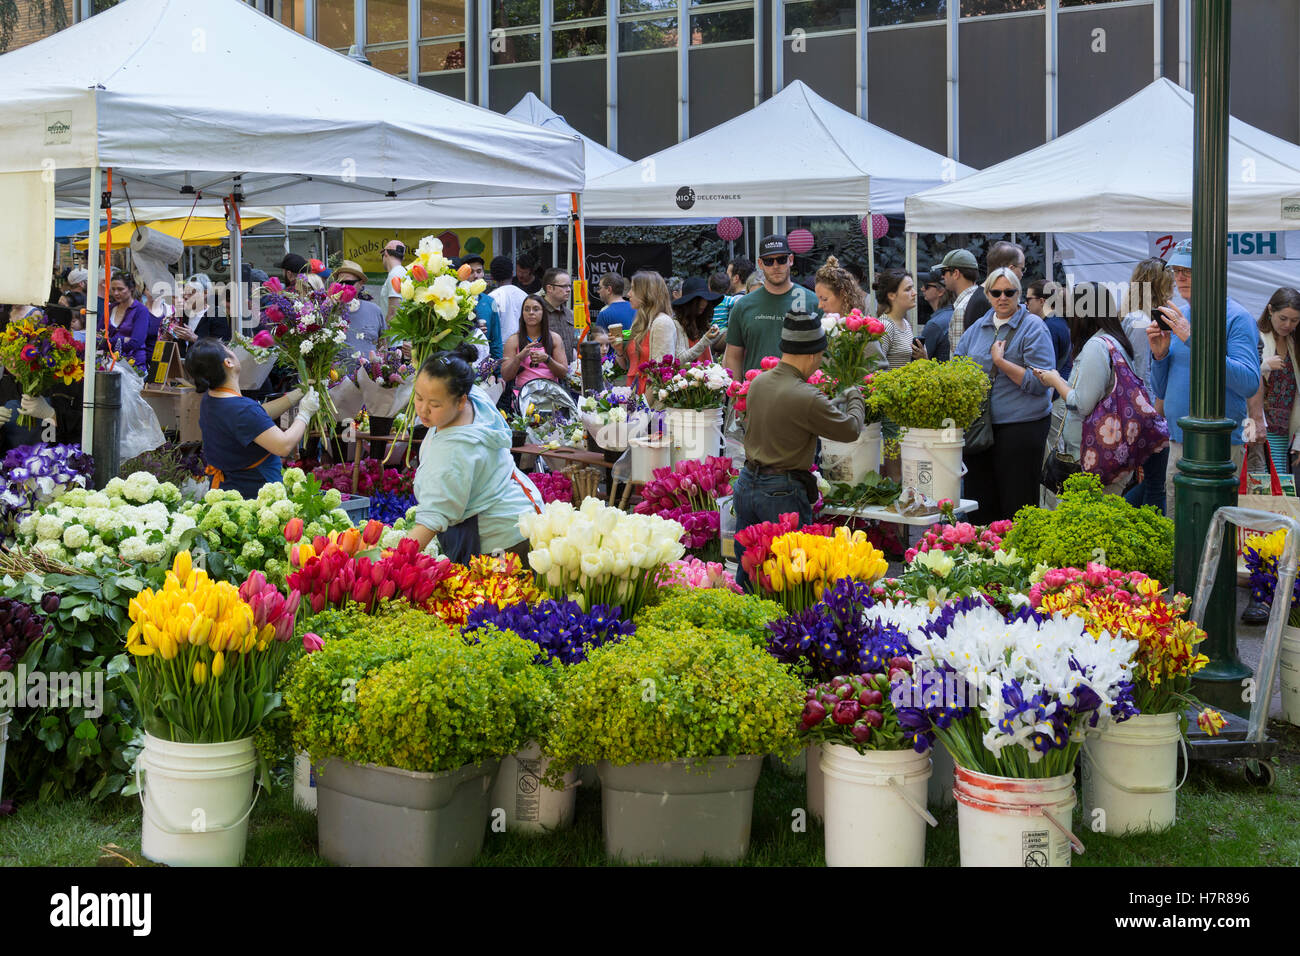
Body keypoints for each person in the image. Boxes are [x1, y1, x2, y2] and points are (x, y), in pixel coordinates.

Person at [733, 312, 866, 591]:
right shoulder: (805, 395)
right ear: (812, 355)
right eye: (820, 356)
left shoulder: (758, 383)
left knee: (749, 571)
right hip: (781, 492)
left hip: (747, 485)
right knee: (790, 578)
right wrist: (855, 395)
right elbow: (851, 429)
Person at [1149, 238, 1260, 520]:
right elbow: (1161, 389)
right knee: (1177, 526)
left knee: (1214, 529)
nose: (1180, 277)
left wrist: (1192, 340)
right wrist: (1159, 357)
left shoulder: (1236, 317)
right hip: (1178, 440)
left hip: (1219, 445)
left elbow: (1248, 382)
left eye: (1188, 270)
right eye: (1176, 270)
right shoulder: (1180, 316)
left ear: (1211, 271)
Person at [406, 343, 541, 561]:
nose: (423, 409)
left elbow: (431, 520)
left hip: (503, 541)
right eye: (419, 397)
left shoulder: (454, 453)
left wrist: (391, 563)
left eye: (435, 404)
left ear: (460, 401)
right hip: (522, 511)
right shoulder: (474, 396)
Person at [955, 267, 1055, 524]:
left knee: (1017, 504)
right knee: (980, 502)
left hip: (1022, 428)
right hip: (981, 429)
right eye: (996, 292)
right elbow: (957, 369)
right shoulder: (977, 328)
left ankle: (1018, 560)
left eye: (1009, 292)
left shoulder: (1033, 327)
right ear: (987, 295)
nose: (1002, 297)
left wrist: (1001, 362)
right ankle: (984, 557)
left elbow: (1039, 383)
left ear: (1018, 294)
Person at [1032, 282, 1149, 497]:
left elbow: (1083, 404)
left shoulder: (1097, 347)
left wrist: (1055, 380)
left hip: (1093, 457)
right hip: (1109, 452)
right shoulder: (1115, 341)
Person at [184, 338, 320, 499]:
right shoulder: (241, 409)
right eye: (227, 348)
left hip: (226, 490)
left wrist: (293, 396)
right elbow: (283, 446)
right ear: (228, 362)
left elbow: (255, 418)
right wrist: (304, 414)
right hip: (254, 494)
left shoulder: (212, 398)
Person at [725, 235, 820, 380]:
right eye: (769, 261)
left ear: (791, 260)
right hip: (755, 394)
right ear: (760, 264)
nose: (775, 266)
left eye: (781, 259)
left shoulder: (812, 302)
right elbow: (733, 356)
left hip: (800, 395)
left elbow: (823, 355)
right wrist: (736, 395)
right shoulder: (743, 306)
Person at [1120, 257, 1174, 513]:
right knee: (1156, 482)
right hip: (1149, 409)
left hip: (1147, 408)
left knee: (1154, 480)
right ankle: (1152, 536)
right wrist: (1156, 412)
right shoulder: (1141, 322)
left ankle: (1118, 514)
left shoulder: (1136, 318)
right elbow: (1141, 372)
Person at [618, 271, 718, 394]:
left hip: (684, 394)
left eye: (633, 289)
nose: (628, 294)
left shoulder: (664, 323)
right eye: (699, 299)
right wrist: (618, 350)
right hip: (638, 394)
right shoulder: (641, 323)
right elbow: (630, 366)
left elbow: (661, 372)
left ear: (646, 293)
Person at [1248, 287, 1300, 477]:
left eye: (1294, 320)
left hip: (1282, 430)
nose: (1288, 325)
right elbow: (1241, 376)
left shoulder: (1295, 345)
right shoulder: (1256, 336)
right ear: (1270, 310)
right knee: (1255, 483)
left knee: (1275, 488)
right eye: (1283, 318)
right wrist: (1264, 365)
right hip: (1255, 423)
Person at [501, 294, 568, 399]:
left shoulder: (554, 338)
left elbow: (563, 373)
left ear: (543, 313)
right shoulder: (513, 340)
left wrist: (547, 359)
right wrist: (519, 358)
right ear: (522, 313)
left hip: (551, 397)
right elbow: (506, 375)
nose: (531, 313)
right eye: (527, 309)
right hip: (522, 398)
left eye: (536, 309)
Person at [331, 260, 387, 365]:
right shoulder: (330, 312)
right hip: (338, 378)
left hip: (370, 378)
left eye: (348, 283)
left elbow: (383, 345)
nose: (343, 286)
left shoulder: (374, 311)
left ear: (361, 284)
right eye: (340, 282)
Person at [934, 249, 984, 359]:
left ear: (956, 273)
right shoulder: (982, 297)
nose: (942, 277)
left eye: (944, 272)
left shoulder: (962, 308)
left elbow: (958, 360)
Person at [873, 269, 926, 368]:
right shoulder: (885, 326)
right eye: (908, 289)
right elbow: (875, 368)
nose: (914, 293)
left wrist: (922, 358)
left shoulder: (905, 323)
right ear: (891, 295)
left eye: (913, 288)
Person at [166, 274, 230, 355]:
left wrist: (194, 338)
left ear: (205, 293)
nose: (186, 296)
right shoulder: (183, 314)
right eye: (185, 293)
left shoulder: (216, 314)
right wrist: (171, 338)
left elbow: (220, 347)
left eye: (191, 293)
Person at [106, 273, 155, 367]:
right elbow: (98, 340)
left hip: (134, 367)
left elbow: (136, 342)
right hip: (110, 364)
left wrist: (109, 342)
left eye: (120, 289)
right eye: (113, 289)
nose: (116, 293)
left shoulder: (141, 311)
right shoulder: (109, 308)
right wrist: (122, 339)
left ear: (131, 288)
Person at [1026, 278, 1072, 379]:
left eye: (1028, 299)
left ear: (1041, 301)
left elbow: (1047, 368)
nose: (1025, 303)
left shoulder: (1049, 326)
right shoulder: (1057, 321)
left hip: (1055, 388)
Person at [460, 254, 502, 360]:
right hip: (460, 363)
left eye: (479, 271)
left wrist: (498, 373)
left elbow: (495, 340)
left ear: (483, 274)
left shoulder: (490, 302)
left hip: (484, 364)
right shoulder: (456, 300)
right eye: (471, 272)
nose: (476, 276)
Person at [672, 276, 725, 357]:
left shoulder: (701, 323)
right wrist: (705, 340)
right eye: (699, 299)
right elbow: (680, 360)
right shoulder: (677, 325)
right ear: (689, 302)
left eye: (706, 299)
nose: (703, 303)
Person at [489, 255, 527, 347]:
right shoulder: (524, 295)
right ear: (512, 273)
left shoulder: (492, 298)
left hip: (501, 348)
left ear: (492, 276)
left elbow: (492, 327)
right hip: (524, 346)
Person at [540, 267, 576, 362]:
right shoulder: (537, 313)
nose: (568, 290)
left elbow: (575, 345)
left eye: (569, 286)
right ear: (549, 288)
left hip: (569, 371)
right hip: (545, 371)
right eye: (564, 286)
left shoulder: (570, 314)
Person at [921, 269, 956, 362]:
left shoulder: (935, 324)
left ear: (940, 291)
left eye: (926, 286)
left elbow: (919, 362)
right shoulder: (954, 314)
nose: (922, 289)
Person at [378, 241, 407, 324]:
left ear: (386, 253)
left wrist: (384, 336)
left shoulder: (395, 274)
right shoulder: (403, 272)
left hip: (393, 334)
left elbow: (393, 312)